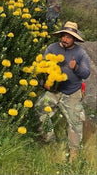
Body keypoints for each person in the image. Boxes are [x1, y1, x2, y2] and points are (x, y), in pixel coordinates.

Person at [35, 21, 90, 163]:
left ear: (74, 39)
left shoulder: (80, 53)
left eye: (69, 37)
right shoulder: (51, 48)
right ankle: (49, 140)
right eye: (63, 36)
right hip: (54, 91)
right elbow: (42, 66)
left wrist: (76, 67)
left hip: (72, 93)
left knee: (75, 122)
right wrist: (44, 83)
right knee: (40, 109)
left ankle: (74, 152)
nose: (65, 39)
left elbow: (86, 73)